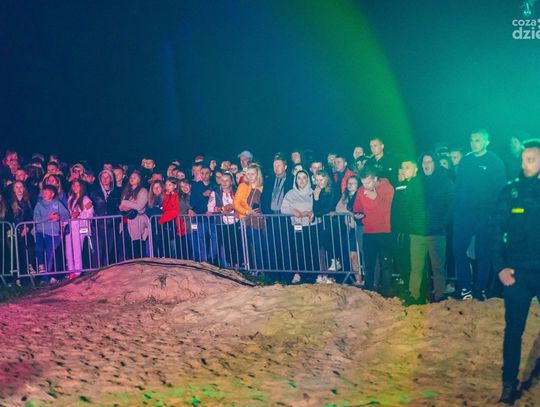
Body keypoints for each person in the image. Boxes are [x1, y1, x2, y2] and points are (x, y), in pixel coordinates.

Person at [491, 139, 540, 404]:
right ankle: (508, 385)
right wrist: (499, 268)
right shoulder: (511, 192)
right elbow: (495, 231)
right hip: (517, 274)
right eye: (523, 160)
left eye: (531, 160)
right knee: (513, 332)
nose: (525, 164)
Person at [453, 129, 506, 300]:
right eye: (471, 140)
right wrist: (457, 210)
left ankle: (480, 288)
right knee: (458, 249)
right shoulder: (466, 161)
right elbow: (458, 187)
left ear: (486, 142)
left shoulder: (495, 161)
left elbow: (501, 190)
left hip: (485, 214)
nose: (473, 143)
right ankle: (464, 288)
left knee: (484, 251)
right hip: (464, 214)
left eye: (477, 140)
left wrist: (495, 215)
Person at [406, 153, 454, 304]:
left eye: (430, 161)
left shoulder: (445, 182)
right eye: (424, 162)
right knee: (416, 267)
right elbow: (407, 205)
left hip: (437, 233)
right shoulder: (415, 182)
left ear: (435, 163)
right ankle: (414, 295)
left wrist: (442, 224)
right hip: (417, 233)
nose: (426, 165)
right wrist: (412, 224)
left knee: (438, 267)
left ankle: (439, 295)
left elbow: (451, 205)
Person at [353, 165, 395, 297]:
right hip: (368, 231)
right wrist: (358, 214)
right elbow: (357, 206)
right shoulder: (361, 190)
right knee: (369, 264)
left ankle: (386, 291)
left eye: (367, 182)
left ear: (375, 178)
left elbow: (388, 209)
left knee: (386, 263)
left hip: (385, 231)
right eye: (363, 183)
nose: (365, 186)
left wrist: (375, 197)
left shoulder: (388, 188)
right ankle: (369, 290)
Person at [281, 170, 319, 283]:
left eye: (304, 178)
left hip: (311, 226)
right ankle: (298, 273)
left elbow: (319, 206)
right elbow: (283, 208)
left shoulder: (313, 192)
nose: (301, 180)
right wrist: (292, 211)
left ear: (308, 179)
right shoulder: (290, 193)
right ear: (295, 180)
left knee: (311, 249)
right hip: (297, 226)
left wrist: (312, 212)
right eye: (299, 178)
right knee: (298, 250)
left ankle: (312, 274)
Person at [233, 163, 266, 270]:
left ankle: (262, 268)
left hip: (260, 220)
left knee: (260, 244)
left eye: (253, 174)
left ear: (257, 175)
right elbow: (236, 203)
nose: (250, 176)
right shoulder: (242, 186)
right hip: (246, 220)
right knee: (249, 245)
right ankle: (253, 268)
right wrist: (247, 211)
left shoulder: (262, 187)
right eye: (248, 174)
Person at [33, 185, 70, 274]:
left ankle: (47, 276)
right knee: (38, 249)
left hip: (53, 233)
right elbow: (35, 219)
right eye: (43, 192)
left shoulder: (57, 203)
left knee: (50, 255)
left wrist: (59, 217)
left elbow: (66, 215)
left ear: (52, 194)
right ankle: (41, 265)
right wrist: (48, 217)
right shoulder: (39, 204)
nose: (44, 194)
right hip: (40, 232)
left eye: (46, 192)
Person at [333, 175, 362, 284]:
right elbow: (338, 208)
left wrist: (350, 212)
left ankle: (363, 278)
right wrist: (350, 213)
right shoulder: (345, 196)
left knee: (359, 254)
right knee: (352, 254)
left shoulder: (360, 195)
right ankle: (358, 279)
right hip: (350, 228)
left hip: (360, 228)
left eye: (353, 183)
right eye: (349, 183)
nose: (350, 185)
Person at [208, 172, 240, 268]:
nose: (224, 182)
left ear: (231, 181)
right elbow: (210, 208)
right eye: (222, 180)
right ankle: (230, 264)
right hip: (221, 223)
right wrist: (222, 209)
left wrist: (237, 210)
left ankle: (240, 263)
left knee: (237, 243)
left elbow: (242, 204)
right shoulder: (215, 193)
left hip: (236, 222)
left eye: (227, 180)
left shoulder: (237, 191)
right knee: (226, 244)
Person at [189, 165, 219, 263]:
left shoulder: (214, 186)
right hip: (200, 217)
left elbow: (217, 201)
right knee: (201, 239)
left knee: (214, 239)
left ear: (211, 174)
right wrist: (203, 195)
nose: (204, 175)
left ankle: (212, 260)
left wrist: (212, 211)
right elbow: (193, 202)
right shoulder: (196, 186)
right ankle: (204, 260)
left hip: (212, 217)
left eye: (207, 173)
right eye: (202, 173)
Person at [65, 180, 94, 277]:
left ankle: (78, 271)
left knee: (77, 249)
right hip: (70, 226)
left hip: (80, 227)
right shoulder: (70, 199)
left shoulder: (86, 199)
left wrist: (79, 214)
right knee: (69, 249)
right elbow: (68, 213)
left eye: (78, 185)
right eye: (74, 185)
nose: (75, 187)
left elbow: (90, 213)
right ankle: (71, 270)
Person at [119, 171, 149, 259]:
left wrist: (125, 203)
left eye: (135, 177)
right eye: (131, 177)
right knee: (127, 249)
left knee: (136, 248)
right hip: (125, 222)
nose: (132, 179)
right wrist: (124, 206)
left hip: (137, 222)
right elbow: (121, 206)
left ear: (139, 179)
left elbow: (139, 206)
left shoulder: (143, 191)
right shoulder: (126, 191)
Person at [8, 181, 35, 274]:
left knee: (29, 246)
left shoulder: (29, 201)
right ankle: (18, 274)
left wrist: (27, 227)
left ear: (24, 189)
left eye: (21, 187)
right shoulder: (9, 202)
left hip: (25, 229)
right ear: (13, 189)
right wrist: (10, 228)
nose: (19, 189)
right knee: (16, 251)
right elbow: (8, 216)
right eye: (16, 187)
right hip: (14, 230)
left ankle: (30, 267)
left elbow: (32, 216)